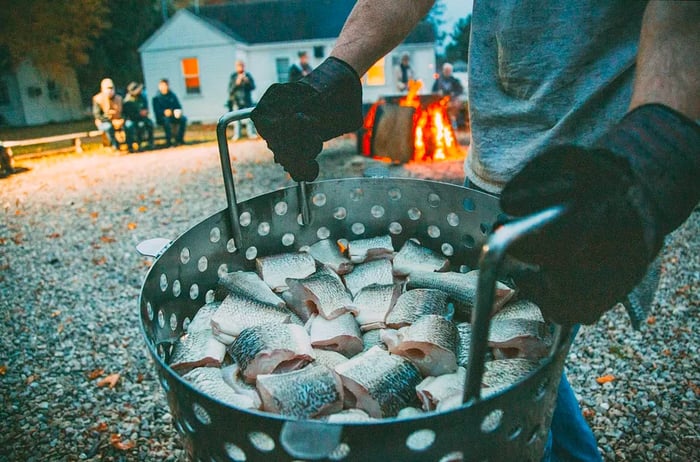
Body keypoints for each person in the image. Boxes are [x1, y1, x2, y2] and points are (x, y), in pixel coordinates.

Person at [250, 1, 699, 461]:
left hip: (594, 182)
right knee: (520, 354)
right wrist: (339, 70)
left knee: (521, 356)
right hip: (488, 176)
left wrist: (657, 144)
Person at [92, 78, 135, 153]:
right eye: (107, 89)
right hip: (104, 121)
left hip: (119, 120)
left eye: (111, 88)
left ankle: (130, 145)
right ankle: (115, 147)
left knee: (129, 125)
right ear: (102, 89)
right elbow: (97, 115)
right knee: (108, 127)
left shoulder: (119, 98)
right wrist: (109, 119)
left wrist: (122, 120)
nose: (110, 91)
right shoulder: (97, 99)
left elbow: (125, 112)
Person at [228, 60, 257, 141]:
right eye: (239, 65)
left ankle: (251, 133)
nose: (241, 67)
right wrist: (237, 82)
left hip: (247, 100)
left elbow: (253, 87)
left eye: (242, 65)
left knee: (249, 119)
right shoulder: (233, 76)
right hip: (236, 100)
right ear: (236, 67)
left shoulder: (248, 75)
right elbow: (230, 89)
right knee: (236, 120)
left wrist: (247, 81)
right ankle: (237, 135)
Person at [152, 78, 187, 147]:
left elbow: (178, 106)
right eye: (163, 85)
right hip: (162, 118)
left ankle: (179, 139)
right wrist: (164, 112)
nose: (164, 87)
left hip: (173, 116)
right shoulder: (156, 98)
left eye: (166, 85)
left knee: (183, 119)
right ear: (159, 86)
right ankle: (169, 141)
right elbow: (156, 111)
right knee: (166, 120)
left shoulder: (172, 96)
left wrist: (175, 111)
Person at [123, 82, 155, 151]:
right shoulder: (127, 101)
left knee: (149, 123)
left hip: (142, 118)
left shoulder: (142, 97)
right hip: (131, 119)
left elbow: (145, 107)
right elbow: (128, 114)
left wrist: (145, 112)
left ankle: (150, 142)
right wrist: (139, 114)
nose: (139, 91)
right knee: (130, 126)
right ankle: (131, 146)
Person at [432, 62, 464, 129]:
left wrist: (454, 94)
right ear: (443, 70)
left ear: (451, 71)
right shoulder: (438, 81)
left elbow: (460, 90)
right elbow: (433, 91)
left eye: (449, 70)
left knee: (456, 105)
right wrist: (438, 93)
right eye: (446, 70)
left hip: (452, 101)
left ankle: (454, 122)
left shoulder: (455, 80)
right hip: (441, 101)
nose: (447, 72)